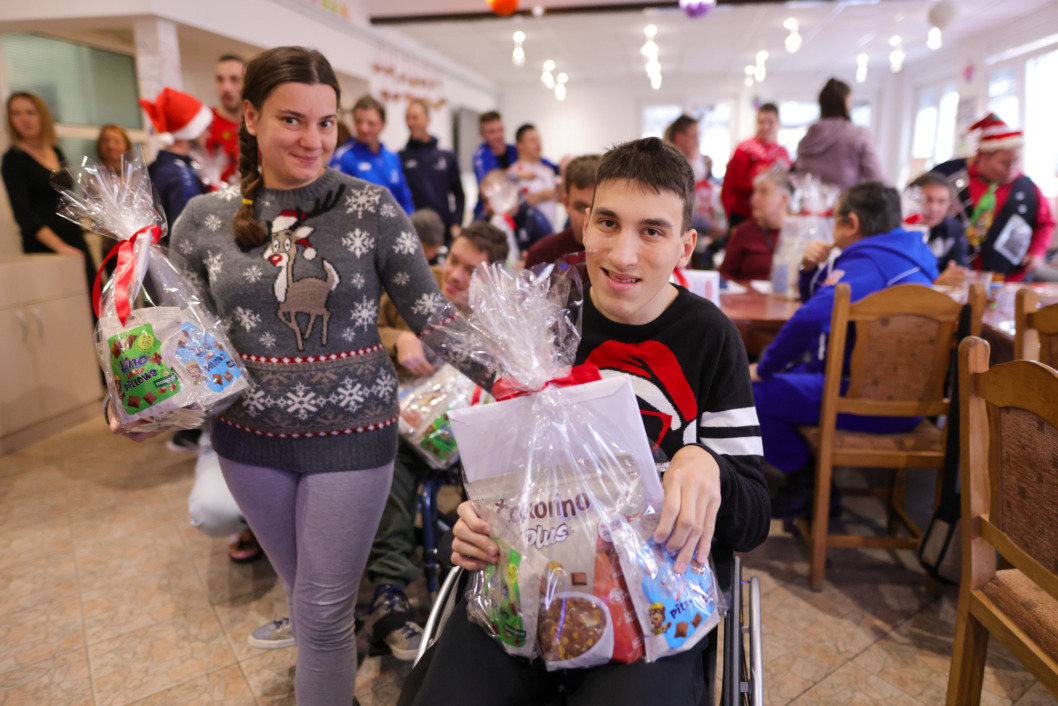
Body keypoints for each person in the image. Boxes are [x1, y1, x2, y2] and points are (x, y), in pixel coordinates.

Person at [109, 46, 480, 705]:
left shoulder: (371, 207)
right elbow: (181, 340)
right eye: (292, 120)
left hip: (354, 438)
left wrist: (521, 378)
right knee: (307, 598)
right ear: (249, 117)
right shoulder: (202, 220)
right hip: (250, 446)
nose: (313, 139)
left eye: (326, 122)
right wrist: (142, 405)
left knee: (319, 609)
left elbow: (430, 314)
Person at [401, 137, 770, 706]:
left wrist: (709, 465)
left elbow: (752, 522)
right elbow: (501, 479)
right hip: (525, 590)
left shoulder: (710, 338)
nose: (623, 255)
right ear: (585, 225)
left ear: (685, 247)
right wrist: (478, 519)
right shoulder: (540, 317)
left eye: (652, 231)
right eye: (608, 222)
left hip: (652, 601)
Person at [751, 182, 939, 519]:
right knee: (787, 376)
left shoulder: (869, 266)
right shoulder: (910, 258)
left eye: (834, 219)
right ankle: (808, 480)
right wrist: (811, 270)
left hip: (865, 400)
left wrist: (764, 367)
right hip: (911, 402)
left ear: (851, 224)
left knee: (751, 391)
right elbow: (825, 304)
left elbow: (809, 319)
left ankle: (806, 483)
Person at [366, 222, 510, 660]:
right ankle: (389, 591)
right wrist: (398, 338)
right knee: (390, 459)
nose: (454, 275)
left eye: (470, 271)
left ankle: (488, 587)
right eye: (453, 261)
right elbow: (360, 330)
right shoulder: (411, 287)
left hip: (467, 442)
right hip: (402, 428)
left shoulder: (496, 321)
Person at [930, 113, 1054, 282]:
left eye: (1016, 161)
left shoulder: (1027, 185)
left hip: (1009, 278)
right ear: (983, 157)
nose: (1012, 168)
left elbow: (1046, 222)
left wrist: (1037, 252)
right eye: (1005, 163)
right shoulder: (947, 174)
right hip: (949, 275)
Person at [1, 92, 95, 294]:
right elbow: (23, 214)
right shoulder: (13, 160)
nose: (24, 118)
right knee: (64, 310)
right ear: (10, 120)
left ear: (42, 116)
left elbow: (66, 197)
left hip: (74, 238)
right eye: (16, 113)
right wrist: (60, 247)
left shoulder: (56, 151)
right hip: (46, 247)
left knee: (95, 304)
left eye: (30, 112)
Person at [794, 78, 885, 190]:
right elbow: (877, 178)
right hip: (847, 204)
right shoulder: (858, 135)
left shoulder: (807, 139)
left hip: (810, 205)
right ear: (846, 103)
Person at [139, 87, 212, 226]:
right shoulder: (179, 175)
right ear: (191, 130)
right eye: (204, 128)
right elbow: (187, 233)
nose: (207, 135)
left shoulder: (161, 166)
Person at [333, 94, 416, 214]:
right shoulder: (343, 157)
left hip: (396, 227)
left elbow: (405, 198)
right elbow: (337, 202)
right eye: (358, 121)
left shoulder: (392, 158)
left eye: (370, 123)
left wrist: (408, 226)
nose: (363, 128)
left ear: (383, 124)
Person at [400, 99, 465, 241]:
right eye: (407, 118)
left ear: (428, 119)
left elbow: (459, 195)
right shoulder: (400, 157)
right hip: (415, 233)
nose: (411, 123)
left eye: (415, 117)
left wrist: (456, 223)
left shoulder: (446, 156)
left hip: (445, 232)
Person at [721, 103, 791, 230]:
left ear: (778, 123)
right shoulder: (744, 148)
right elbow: (736, 183)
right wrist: (766, 185)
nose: (765, 126)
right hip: (743, 214)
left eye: (770, 122)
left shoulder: (783, 154)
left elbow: (785, 186)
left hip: (771, 216)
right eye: (761, 122)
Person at [523, 153, 599, 269]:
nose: (588, 219)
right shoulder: (542, 256)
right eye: (581, 208)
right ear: (566, 203)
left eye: (597, 209)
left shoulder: (625, 259)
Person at [719, 169, 792, 282]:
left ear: (784, 199)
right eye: (754, 192)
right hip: (748, 298)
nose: (754, 198)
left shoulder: (798, 232)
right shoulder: (744, 231)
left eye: (763, 192)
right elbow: (725, 275)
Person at [478, 168, 552, 259]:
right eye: (484, 201)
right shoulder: (484, 220)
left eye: (492, 199)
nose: (488, 207)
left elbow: (551, 258)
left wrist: (530, 263)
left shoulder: (534, 219)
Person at [907, 172, 968, 276]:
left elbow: (960, 268)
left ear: (949, 204)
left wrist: (957, 273)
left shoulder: (954, 230)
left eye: (942, 201)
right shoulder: (898, 229)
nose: (933, 208)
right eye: (927, 199)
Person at [508, 123, 562, 233]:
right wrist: (538, 197)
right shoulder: (513, 173)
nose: (538, 144)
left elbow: (559, 199)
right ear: (519, 145)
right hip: (527, 236)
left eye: (538, 139)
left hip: (552, 232)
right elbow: (509, 210)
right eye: (532, 140)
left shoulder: (548, 171)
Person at [203, 54, 246, 187]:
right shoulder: (203, 123)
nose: (226, 87)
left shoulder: (260, 126)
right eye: (220, 79)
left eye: (234, 79)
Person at [472, 111, 517, 218]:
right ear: (482, 134)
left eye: (500, 130)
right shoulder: (480, 156)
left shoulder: (515, 150)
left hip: (515, 209)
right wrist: (515, 174)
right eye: (492, 132)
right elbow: (487, 188)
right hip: (489, 212)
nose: (498, 135)